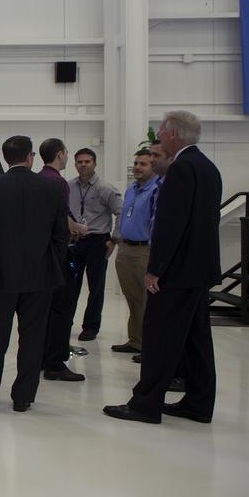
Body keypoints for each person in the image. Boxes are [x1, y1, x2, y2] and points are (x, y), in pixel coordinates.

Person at [104, 111, 221, 425]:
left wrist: (155, 269)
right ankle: (198, 402)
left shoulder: (181, 168)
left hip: (178, 271)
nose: (158, 135)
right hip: (199, 270)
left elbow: (171, 225)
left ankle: (145, 404)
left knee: (159, 337)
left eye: (161, 131)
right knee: (196, 339)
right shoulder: (207, 167)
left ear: (172, 134)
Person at [0, 136, 70, 412]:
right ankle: (23, 397)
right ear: (30, 157)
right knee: (33, 338)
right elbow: (61, 235)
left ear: (5, 158)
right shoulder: (52, 189)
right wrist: (52, 264)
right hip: (40, 276)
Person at [39, 138, 88, 382]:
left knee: (45, 310)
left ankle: (41, 356)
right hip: (59, 255)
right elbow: (61, 218)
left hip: (41, 257)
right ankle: (55, 363)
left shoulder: (38, 179)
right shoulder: (59, 182)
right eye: (67, 153)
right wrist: (78, 228)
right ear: (59, 155)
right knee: (62, 310)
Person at [68, 149, 124, 341]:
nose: (83, 165)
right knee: (70, 285)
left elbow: (122, 213)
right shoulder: (69, 187)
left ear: (95, 163)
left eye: (87, 161)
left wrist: (114, 240)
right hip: (74, 244)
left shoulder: (105, 188)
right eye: (79, 162)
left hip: (97, 243)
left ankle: (91, 327)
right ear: (75, 164)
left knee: (96, 287)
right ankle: (66, 322)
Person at [110, 148, 158, 354]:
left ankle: (150, 346)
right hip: (125, 249)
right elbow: (122, 216)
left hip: (143, 251)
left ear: (153, 167)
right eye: (136, 163)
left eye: (143, 164)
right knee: (133, 300)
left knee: (148, 301)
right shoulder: (131, 190)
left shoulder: (156, 190)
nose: (138, 167)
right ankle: (135, 341)